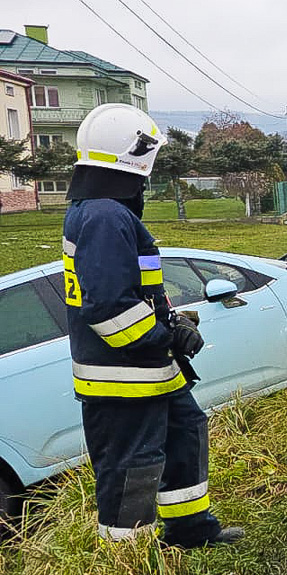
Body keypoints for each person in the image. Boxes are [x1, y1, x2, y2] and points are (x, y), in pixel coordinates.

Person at [62, 104, 242, 548]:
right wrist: (163, 335)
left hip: (150, 370)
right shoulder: (104, 216)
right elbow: (107, 307)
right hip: (123, 379)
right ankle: (130, 554)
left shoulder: (106, 211)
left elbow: (133, 293)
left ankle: (191, 531)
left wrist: (172, 323)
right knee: (131, 466)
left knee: (185, 435)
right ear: (135, 154)